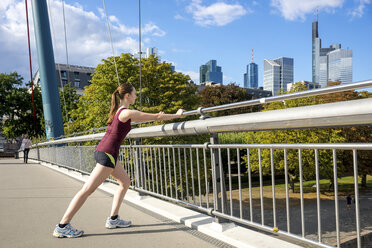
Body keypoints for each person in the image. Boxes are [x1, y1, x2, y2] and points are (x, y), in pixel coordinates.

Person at [53, 83, 185, 238]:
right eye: (135, 94)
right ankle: (62, 226)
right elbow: (155, 117)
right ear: (127, 96)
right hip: (107, 154)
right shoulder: (126, 112)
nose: (136, 96)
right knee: (87, 190)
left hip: (108, 153)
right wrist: (177, 115)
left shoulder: (120, 112)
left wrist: (160, 115)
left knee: (125, 182)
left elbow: (145, 118)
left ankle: (114, 219)